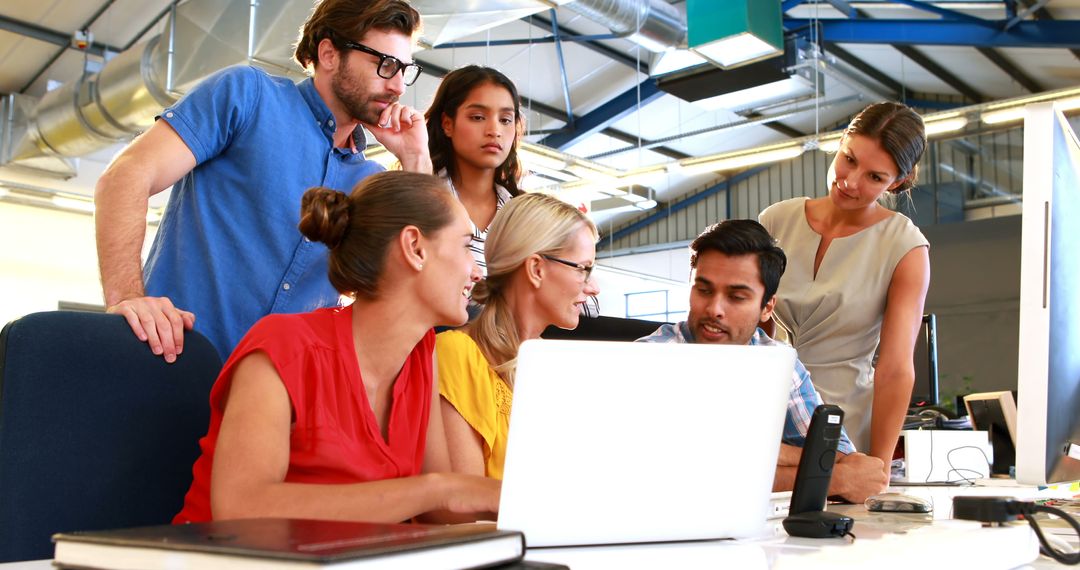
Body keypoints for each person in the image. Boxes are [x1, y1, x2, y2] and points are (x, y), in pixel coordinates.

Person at [95, 0, 431, 361]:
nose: (397, 86)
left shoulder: (369, 182)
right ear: (329, 54)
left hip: (277, 400)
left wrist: (415, 158)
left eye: (404, 69)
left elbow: (416, 277)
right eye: (385, 65)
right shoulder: (248, 96)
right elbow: (125, 176)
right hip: (172, 364)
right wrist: (128, 298)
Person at [174, 171, 499, 524]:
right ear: (415, 248)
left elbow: (438, 515)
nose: (477, 272)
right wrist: (443, 489)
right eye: (467, 245)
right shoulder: (284, 348)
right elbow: (240, 507)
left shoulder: (422, 354)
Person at [637, 219, 888, 503]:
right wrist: (835, 480)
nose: (714, 309)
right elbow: (686, 475)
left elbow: (839, 456)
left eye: (736, 297)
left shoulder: (779, 362)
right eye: (704, 290)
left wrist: (743, 451)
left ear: (767, 307)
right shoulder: (650, 358)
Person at [759, 101, 930, 471]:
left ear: (896, 182)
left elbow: (896, 368)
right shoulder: (775, 221)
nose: (850, 182)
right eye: (849, 159)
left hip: (843, 433)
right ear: (840, 142)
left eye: (875, 177)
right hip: (763, 416)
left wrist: (878, 466)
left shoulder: (904, 247)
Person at [437, 193, 600, 479]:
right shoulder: (455, 354)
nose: (593, 287)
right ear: (536, 269)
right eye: (583, 269)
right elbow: (459, 509)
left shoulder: (556, 367)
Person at [425, 65, 524, 274]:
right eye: (478, 117)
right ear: (447, 124)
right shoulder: (421, 197)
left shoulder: (523, 215)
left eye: (505, 120)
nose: (495, 131)